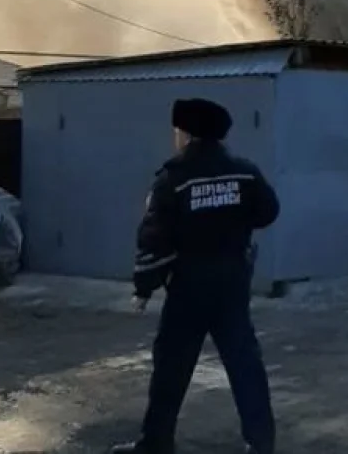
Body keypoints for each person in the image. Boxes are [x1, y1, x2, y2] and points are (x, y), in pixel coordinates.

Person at [112, 98, 281, 454]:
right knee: (244, 363)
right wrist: (233, 225)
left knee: (171, 367)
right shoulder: (245, 172)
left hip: (189, 287)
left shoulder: (173, 179)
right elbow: (268, 211)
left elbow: (154, 236)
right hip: (232, 283)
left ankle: (155, 443)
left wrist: (144, 287)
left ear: (186, 134)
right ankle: (262, 443)